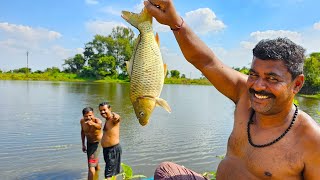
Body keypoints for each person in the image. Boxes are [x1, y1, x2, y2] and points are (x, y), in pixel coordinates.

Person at [144, 0, 320, 179]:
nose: (258, 86)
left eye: (272, 78)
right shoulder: (244, 93)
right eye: (253, 74)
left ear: (297, 84)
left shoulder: (312, 141)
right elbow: (206, 61)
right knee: (166, 170)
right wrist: (174, 22)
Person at [99, 102, 122, 180]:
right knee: (112, 173)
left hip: (113, 150)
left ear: (109, 109)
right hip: (107, 150)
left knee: (108, 175)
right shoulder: (107, 120)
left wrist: (117, 116)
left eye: (104, 110)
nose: (102, 112)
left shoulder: (113, 119)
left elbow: (118, 118)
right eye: (101, 110)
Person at [80, 107, 103, 180]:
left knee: (91, 166)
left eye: (90, 115)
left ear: (93, 114)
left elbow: (99, 127)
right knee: (93, 162)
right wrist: (83, 144)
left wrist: (92, 124)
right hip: (89, 143)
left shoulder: (97, 121)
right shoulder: (82, 121)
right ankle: (97, 174)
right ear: (83, 116)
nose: (88, 117)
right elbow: (83, 132)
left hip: (97, 144)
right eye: (86, 116)